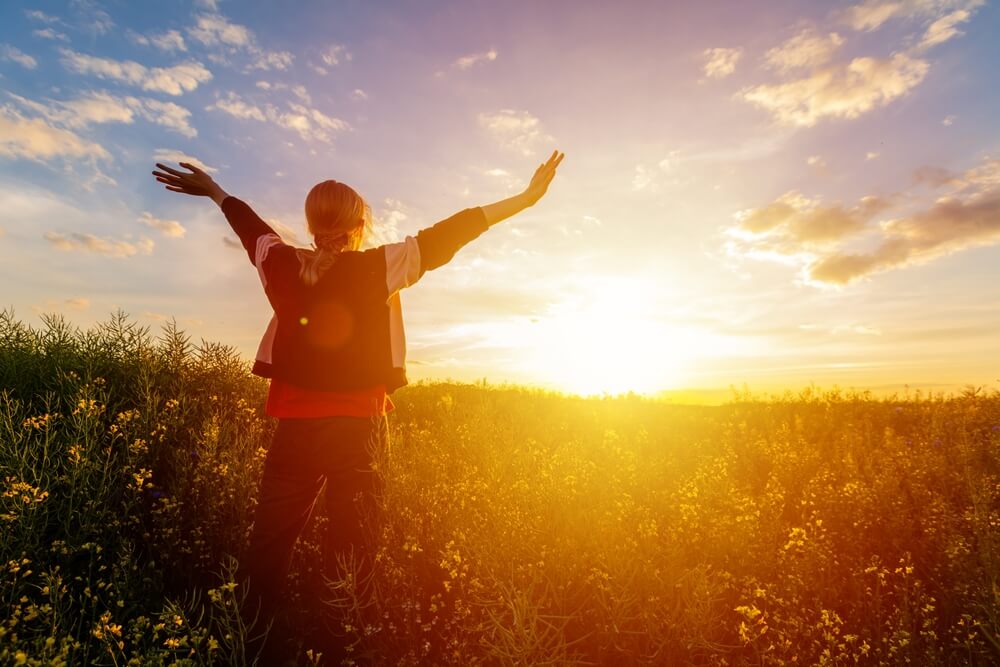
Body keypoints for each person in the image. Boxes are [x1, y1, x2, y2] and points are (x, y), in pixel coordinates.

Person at [151, 150, 564, 659]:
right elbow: (451, 233)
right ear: (360, 224)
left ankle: (253, 646)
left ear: (311, 223)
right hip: (359, 432)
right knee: (353, 550)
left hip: (295, 431)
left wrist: (215, 191)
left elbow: (250, 229)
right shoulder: (381, 266)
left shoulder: (281, 264)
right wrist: (524, 200)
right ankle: (341, 646)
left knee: (268, 547)